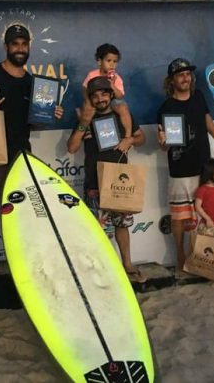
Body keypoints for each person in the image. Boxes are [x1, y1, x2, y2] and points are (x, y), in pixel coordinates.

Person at [0, 24, 63, 274]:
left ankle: (18, 256)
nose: (20, 48)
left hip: (22, 152)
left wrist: (49, 115)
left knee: (20, 209)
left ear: (29, 47)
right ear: (7, 47)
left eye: (24, 44)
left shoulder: (33, 83)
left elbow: (32, 121)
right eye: (15, 44)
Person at [68, 76, 147, 283]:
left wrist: (129, 139)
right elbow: (72, 147)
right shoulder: (86, 119)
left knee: (122, 226)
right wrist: (84, 123)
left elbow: (142, 138)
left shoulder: (123, 116)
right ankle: (102, 268)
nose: (100, 98)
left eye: (104, 93)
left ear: (111, 95)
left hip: (120, 182)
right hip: (95, 184)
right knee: (97, 231)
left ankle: (127, 264)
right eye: (95, 95)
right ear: (91, 98)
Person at [157, 58, 214, 275]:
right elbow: (163, 144)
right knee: (180, 217)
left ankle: (197, 257)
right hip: (179, 169)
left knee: (200, 216)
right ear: (171, 80)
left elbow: (207, 120)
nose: (185, 78)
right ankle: (180, 255)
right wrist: (163, 143)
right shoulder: (165, 107)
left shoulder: (198, 97)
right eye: (180, 75)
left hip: (203, 167)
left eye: (188, 74)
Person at [82, 43, 133, 152]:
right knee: (82, 110)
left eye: (115, 62)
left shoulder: (117, 77)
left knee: (123, 107)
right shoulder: (92, 75)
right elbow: (85, 88)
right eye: (108, 61)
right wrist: (88, 101)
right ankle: (87, 130)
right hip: (94, 101)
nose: (112, 65)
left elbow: (120, 96)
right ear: (99, 61)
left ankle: (128, 135)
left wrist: (112, 85)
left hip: (111, 102)